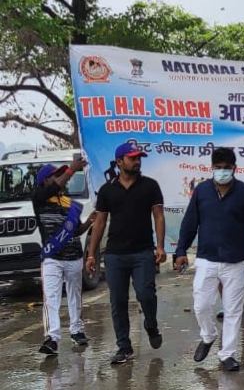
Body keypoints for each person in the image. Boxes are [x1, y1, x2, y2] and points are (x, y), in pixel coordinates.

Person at [174, 148, 244, 371]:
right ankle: (208, 334)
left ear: (234, 168)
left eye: (226, 168)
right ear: (211, 168)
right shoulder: (202, 191)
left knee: (233, 310)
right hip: (207, 258)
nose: (222, 171)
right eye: (218, 167)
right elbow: (190, 223)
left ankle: (227, 354)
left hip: (237, 260)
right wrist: (181, 251)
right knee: (201, 305)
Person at [85, 142, 167, 364]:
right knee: (118, 301)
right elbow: (100, 222)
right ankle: (124, 346)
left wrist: (160, 246)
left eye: (139, 158)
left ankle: (151, 324)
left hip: (143, 252)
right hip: (115, 255)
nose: (137, 161)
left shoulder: (150, 186)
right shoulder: (107, 190)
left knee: (146, 294)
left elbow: (158, 216)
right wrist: (91, 254)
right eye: (133, 158)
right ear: (120, 162)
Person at [34, 158, 95, 355]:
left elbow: (75, 231)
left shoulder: (70, 204)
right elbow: (51, 189)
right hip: (52, 257)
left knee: (75, 294)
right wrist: (71, 170)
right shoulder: (39, 198)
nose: (61, 178)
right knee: (51, 297)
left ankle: (77, 330)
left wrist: (89, 222)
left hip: (74, 256)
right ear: (45, 181)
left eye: (61, 174)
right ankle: (52, 338)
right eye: (56, 175)